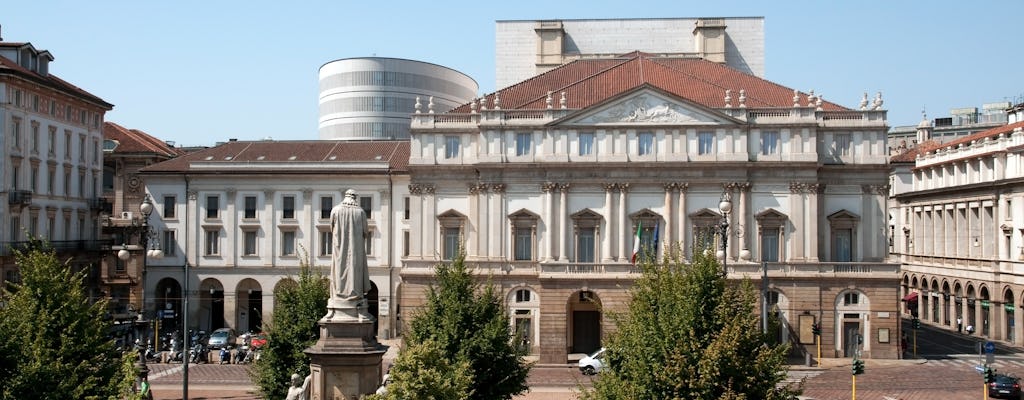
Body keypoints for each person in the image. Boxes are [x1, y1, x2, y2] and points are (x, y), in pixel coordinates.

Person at [324, 189, 372, 321]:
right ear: (354, 198)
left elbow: (331, 228)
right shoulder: (360, 212)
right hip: (355, 251)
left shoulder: (335, 210)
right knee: (354, 273)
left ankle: (339, 296)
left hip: (339, 250)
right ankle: (354, 295)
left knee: (339, 272)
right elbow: (366, 232)